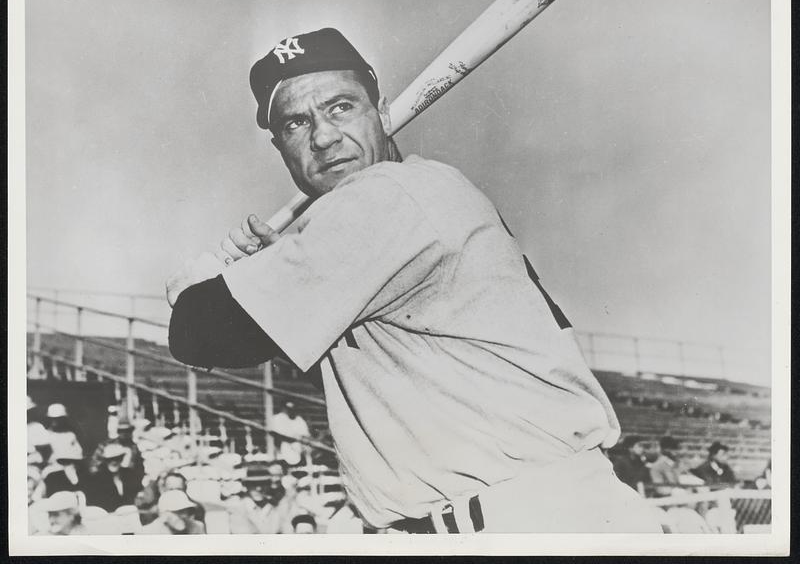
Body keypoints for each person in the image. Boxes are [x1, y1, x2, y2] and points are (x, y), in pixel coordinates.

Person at [166, 28, 662, 533]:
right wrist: (275, 282)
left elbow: (200, 333)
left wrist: (198, 284)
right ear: (280, 147)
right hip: (531, 510)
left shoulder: (384, 194)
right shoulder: (416, 197)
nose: (322, 136)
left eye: (340, 107)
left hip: (522, 520)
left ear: (382, 113)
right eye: (296, 122)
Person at [228, 461, 300, 534]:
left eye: (263, 484)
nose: (259, 488)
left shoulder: (276, 507)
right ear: (247, 486)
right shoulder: (238, 509)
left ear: (269, 485)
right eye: (254, 484)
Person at [85, 443, 143, 512]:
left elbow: (137, 492)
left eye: (118, 458)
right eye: (110, 459)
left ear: (122, 458)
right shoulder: (97, 479)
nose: (114, 461)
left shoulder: (128, 474)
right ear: (105, 460)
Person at [140, 490, 206, 534]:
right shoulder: (149, 532)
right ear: (164, 514)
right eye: (178, 511)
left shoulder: (197, 527)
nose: (184, 515)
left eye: (187, 510)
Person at [271, 401, 310, 467]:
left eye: (292, 408)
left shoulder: (299, 419)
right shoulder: (277, 418)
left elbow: (305, 435)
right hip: (282, 445)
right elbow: (276, 435)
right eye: (288, 408)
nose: (290, 410)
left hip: (297, 445)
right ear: (283, 408)